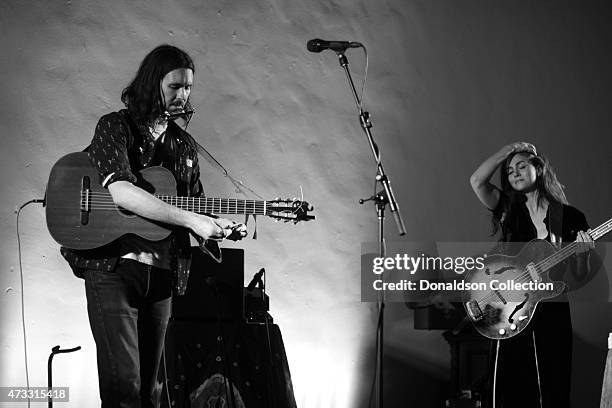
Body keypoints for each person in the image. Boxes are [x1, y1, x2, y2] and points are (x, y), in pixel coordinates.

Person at [60, 44, 247, 408]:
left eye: (188, 87)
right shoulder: (116, 126)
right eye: (175, 86)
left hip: (162, 275)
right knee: (123, 388)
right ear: (152, 83)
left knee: (151, 393)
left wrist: (216, 227)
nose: (183, 95)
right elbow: (121, 192)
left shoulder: (186, 148)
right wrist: (193, 219)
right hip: (112, 269)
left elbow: (196, 208)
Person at [469, 142, 594, 408]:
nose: (513, 173)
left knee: (554, 385)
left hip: (552, 309)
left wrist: (582, 255)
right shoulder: (507, 208)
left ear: (540, 168)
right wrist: (511, 150)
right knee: (510, 386)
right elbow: (478, 180)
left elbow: (579, 276)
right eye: (510, 170)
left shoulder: (570, 217)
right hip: (511, 307)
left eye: (522, 166)